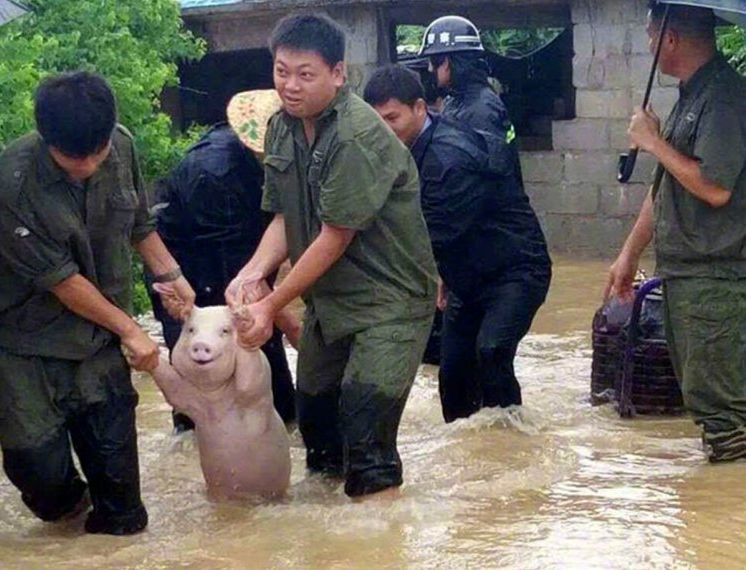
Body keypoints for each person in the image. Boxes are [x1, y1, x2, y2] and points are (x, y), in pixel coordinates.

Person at [224, 14, 437, 499]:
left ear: (338, 73)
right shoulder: (281, 126)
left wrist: (269, 306)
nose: (290, 86)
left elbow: (333, 236)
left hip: (391, 304)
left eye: (305, 74)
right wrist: (253, 272)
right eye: (281, 71)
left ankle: (379, 538)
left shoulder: (357, 136)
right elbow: (284, 216)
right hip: (331, 302)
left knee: (366, 438)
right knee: (318, 432)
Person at [0, 71, 195, 535]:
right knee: (43, 480)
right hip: (26, 344)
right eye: (72, 157)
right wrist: (130, 329)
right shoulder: (11, 184)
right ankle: (67, 516)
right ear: (46, 139)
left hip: (99, 340)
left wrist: (171, 276)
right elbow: (62, 281)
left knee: (123, 511)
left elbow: (138, 224)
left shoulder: (121, 145)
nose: (88, 165)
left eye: (97, 152)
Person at [364, 65, 551, 422]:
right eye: (376, 122)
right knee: (452, 374)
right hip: (467, 278)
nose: (384, 130)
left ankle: (514, 444)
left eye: (392, 118)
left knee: (492, 351)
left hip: (516, 271)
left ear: (420, 108)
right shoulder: (408, 146)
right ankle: (470, 459)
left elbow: (429, 236)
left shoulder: (448, 159)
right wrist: (444, 275)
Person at [605, 3, 746, 462]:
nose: (648, 46)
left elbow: (715, 187)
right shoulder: (693, 94)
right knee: (709, 407)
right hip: (690, 277)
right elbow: (667, 187)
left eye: (650, 37)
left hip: (717, 281)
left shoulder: (723, 98)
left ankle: (724, 523)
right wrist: (628, 255)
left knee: (726, 419)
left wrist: (654, 143)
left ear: (670, 39)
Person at [149, 121, 300, 430]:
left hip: (233, 259)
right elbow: (241, 280)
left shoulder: (259, 164)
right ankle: (191, 455)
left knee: (274, 397)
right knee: (204, 387)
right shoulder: (216, 174)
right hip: (188, 275)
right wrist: (291, 326)